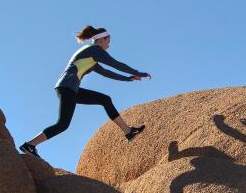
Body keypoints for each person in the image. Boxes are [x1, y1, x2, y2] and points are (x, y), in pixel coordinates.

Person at [19, 25, 151, 157]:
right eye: (108, 41)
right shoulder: (94, 50)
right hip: (67, 87)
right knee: (62, 124)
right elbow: (115, 64)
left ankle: (128, 131)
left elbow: (106, 72)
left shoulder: (91, 55)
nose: (108, 46)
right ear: (100, 40)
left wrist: (128, 78)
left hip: (71, 88)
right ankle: (29, 145)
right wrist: (138, 72)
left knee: (105, 99)